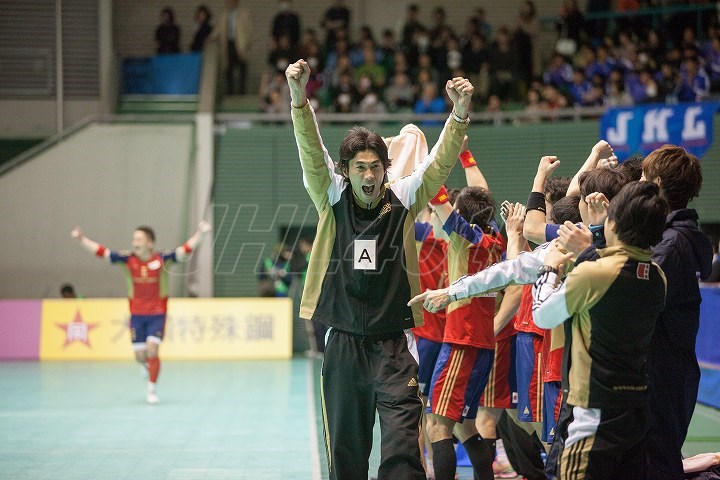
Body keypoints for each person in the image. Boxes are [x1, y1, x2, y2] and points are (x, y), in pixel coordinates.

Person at [285, 58, 472, 480]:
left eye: (375, 167)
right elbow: (311, 152)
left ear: (385, 170)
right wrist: (299, 101)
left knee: (404, 452)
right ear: (346, 171)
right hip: (344, 343)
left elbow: (439, 163)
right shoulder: (331, 195)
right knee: (347, 460)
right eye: (360, 168)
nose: (368, 176)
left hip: (394, 347)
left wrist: (459, 114)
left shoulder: (403, 196)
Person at [532, 181, 669, 479]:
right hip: (636, 411)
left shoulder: (594, 273)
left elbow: (542, 314)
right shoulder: (658, 277)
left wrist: (550, 268)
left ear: (614, 224)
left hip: (593, 412)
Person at [71, 221, 212, 404]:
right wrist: (82, 239)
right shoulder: (127, 260)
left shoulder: (162, 259)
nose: (134, 243)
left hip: (157, 314)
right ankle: (145, 365)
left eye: (139, 239)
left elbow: (184, 250)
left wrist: (201, 233)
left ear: (150, 243)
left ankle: (152, 389)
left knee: (152, 349)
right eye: (134, 239)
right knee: (140, 356)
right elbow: (102, 252)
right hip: (136, 315)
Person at [640, 145, 714, 479]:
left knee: (657, 464)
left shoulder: (670, 245)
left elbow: (639, 302)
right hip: (669, 369)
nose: (638, 183)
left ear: (657, 182)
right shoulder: (677, 237)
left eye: (643, 176)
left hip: (661, 373)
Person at [215, 0, 252, 95]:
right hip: (228, 44)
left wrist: (247, 43)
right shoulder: (224, 15)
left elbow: (249, 30)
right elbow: (218, 30)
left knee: (242, 67)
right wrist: (212, 37)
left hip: (240, 44)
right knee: (228, 69)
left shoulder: (244, 14)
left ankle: (242, 91)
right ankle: (229, 91)